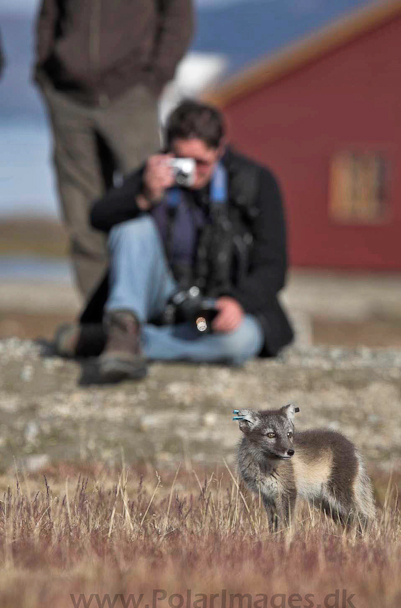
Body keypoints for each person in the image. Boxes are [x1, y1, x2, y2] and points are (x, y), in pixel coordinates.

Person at [55, 100, 294, 382]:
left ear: (220, 149)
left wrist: (238, 302)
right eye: (183, 160)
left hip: (206, 318)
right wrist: (144, 196)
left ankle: (116, 342)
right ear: (169, 150)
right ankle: (123, 328)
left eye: (201, 163)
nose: (191, 171)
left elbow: (274, 265)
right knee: (132, 228)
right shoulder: (156, 172)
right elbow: (97, 217)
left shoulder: (255, 182)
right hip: (162, 303)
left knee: (239, 342)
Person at [34, 0, 194, 299]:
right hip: (68, 96)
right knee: (80, 211)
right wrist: (46, 68)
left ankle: (155, 309)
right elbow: (49, 12)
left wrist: (156, 76)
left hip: (131, 93)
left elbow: (178, 15)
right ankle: (99, 315)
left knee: (154, 198)